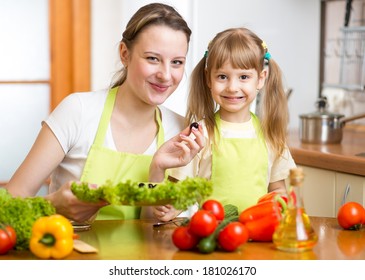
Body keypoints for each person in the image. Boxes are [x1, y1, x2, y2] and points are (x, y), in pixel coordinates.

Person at [5, 3, 204, 223]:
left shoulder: (181, 133)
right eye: (152, 59)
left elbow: (155, 230)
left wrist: (157, 170)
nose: (166, 75)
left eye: (177, 62)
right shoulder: (78, 111)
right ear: (125, 54)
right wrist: (54, 205)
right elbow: (9, 204)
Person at [180, 27, 296, 213]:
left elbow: (277, 189)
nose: (232, 87)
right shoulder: (200, 134)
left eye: (243, 77)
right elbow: (181, 192)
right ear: (208, 78)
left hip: (258, 235)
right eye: (222, 77)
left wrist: (281, 206)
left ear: (260, 79)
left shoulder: (270, 135)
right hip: (211, 235)